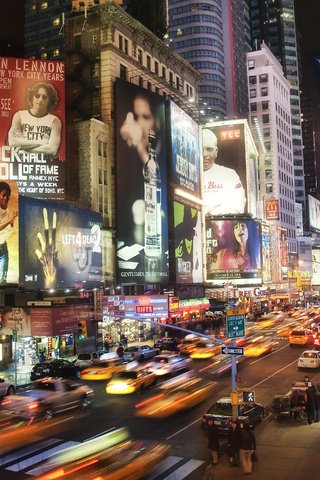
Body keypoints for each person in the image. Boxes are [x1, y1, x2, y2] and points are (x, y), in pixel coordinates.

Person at [8, 82, 62, 157]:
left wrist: (22, 144)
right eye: (37, 96)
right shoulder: (19, 116)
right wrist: (42, 142)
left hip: (44, 165)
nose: (40, 100)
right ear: (32, 97)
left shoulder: (55, 121)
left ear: (50, 101)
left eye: (44, 97)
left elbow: (51, 150)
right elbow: (13, 143)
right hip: (21, 162)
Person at [202, 128, 246, 216]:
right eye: (201, 149)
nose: (204, 154)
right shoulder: (188, 176)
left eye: (209, 149)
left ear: (216, 152)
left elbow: (238, 205)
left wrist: (209, 211)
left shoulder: (229, 175)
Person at [0, 182, 18, 283]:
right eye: (3, 195)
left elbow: (7, 229)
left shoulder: (7, 210)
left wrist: (11, 225)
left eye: (7, 196)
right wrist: (10, 220)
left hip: (3, 249)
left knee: (3, 282)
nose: (5, 198)